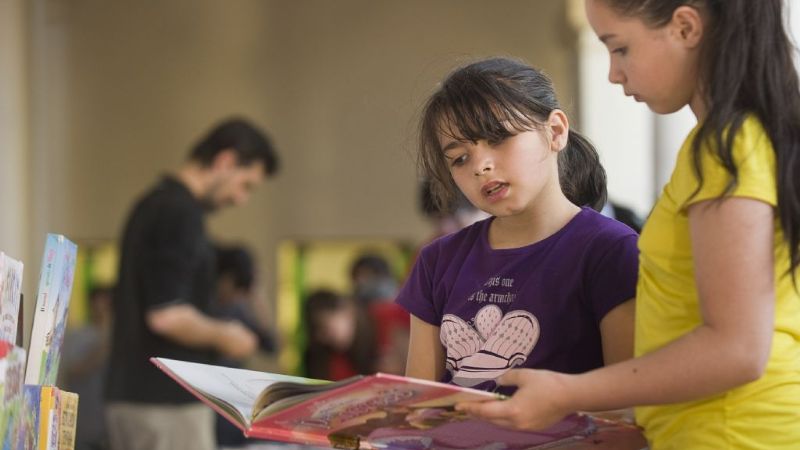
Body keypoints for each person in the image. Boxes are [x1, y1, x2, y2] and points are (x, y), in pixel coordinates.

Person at [458, 2, 800, 449]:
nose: (613, 74)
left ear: (684, 27)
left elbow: (736, 350)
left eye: (619, 48)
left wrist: (567, 392)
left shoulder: (725, 147)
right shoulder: (733, 140)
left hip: (732, 432)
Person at [396, 57, 639, 393]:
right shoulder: (437, 261)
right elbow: (418, 404)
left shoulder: (611, 250)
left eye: (498, 138)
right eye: (460, 158)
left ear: (555, 132)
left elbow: (629, 401)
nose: (481, 166)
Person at [104, 117, 280, 450]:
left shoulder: (155, 204)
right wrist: (227, 335)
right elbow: (167, 314)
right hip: (164, 405)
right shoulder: (178, 211)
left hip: (139, 398)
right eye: (246, 184)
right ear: (225, 161)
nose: (241, 198)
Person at [209, 244, 276, 449]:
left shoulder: (237, 308)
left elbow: (271, 345)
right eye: (237, 288)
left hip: (232, 399)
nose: (236, 296)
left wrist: (258, 297)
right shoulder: (200, 307)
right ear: (225, 278)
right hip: (206, 401)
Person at [60, 286, 113, 450]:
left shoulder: (121, 338)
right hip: (84, 426)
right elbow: (74, 370)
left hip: (111, 427)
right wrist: (105, 340)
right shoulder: (78, 335)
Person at [302, 289, 377, 380]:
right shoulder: (320, 356)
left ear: (348, 313)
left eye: (326, 328)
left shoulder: (380, 328)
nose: (323, 338)